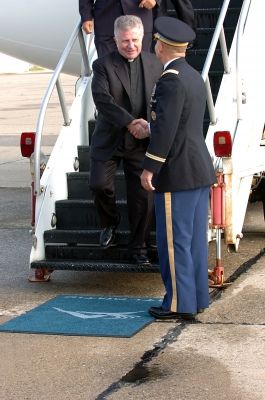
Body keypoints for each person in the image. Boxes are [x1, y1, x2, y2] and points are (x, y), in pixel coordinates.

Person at [130, 17, 216, 319]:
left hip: (176, 173)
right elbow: (180, 122)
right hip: (197, 169)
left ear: (161, 46)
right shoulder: (192, 75)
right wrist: (152, 127)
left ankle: (178, 303)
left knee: (174, 242)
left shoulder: (170, 79)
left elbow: (168, 128)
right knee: (193, 242)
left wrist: (150, 166)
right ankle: (196, 299)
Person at [89, 15, 163, 265]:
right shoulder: (102, 65)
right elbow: (102, 100)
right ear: (115, 40)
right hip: (110, 138)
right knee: (99, 185)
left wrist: (150, 127)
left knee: (142, 196)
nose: (130, 45)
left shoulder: (156, 64)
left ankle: (138, 248)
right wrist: (131, 122)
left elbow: (162, 99)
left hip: (141, 141)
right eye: (124, 41)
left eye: (134, 40)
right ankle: (109, 223)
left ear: (142, 38)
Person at [79, 0, 162, 57]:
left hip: (140, 13)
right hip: (106, 20)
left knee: (142, 68)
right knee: (107, 68)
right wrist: (86, 16)